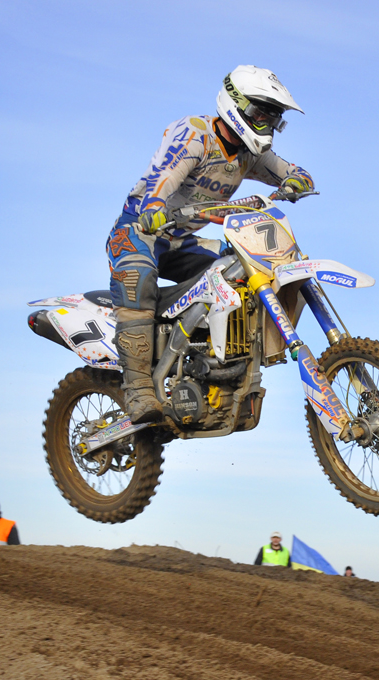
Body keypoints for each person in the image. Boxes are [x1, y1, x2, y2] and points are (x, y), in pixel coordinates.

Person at [107, 65, 314, 423]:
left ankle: (217, 370)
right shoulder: (195, 134)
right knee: (137, 280)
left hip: (183, 242)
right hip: (141, 231)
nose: (265, 124)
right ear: (236, 104)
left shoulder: (248, 154)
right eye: (260, 114)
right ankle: (139, 391)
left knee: (239, 272)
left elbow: (294, 171)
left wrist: (297, 182)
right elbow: (163, 175)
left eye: (272, 119)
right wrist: (154, 206)